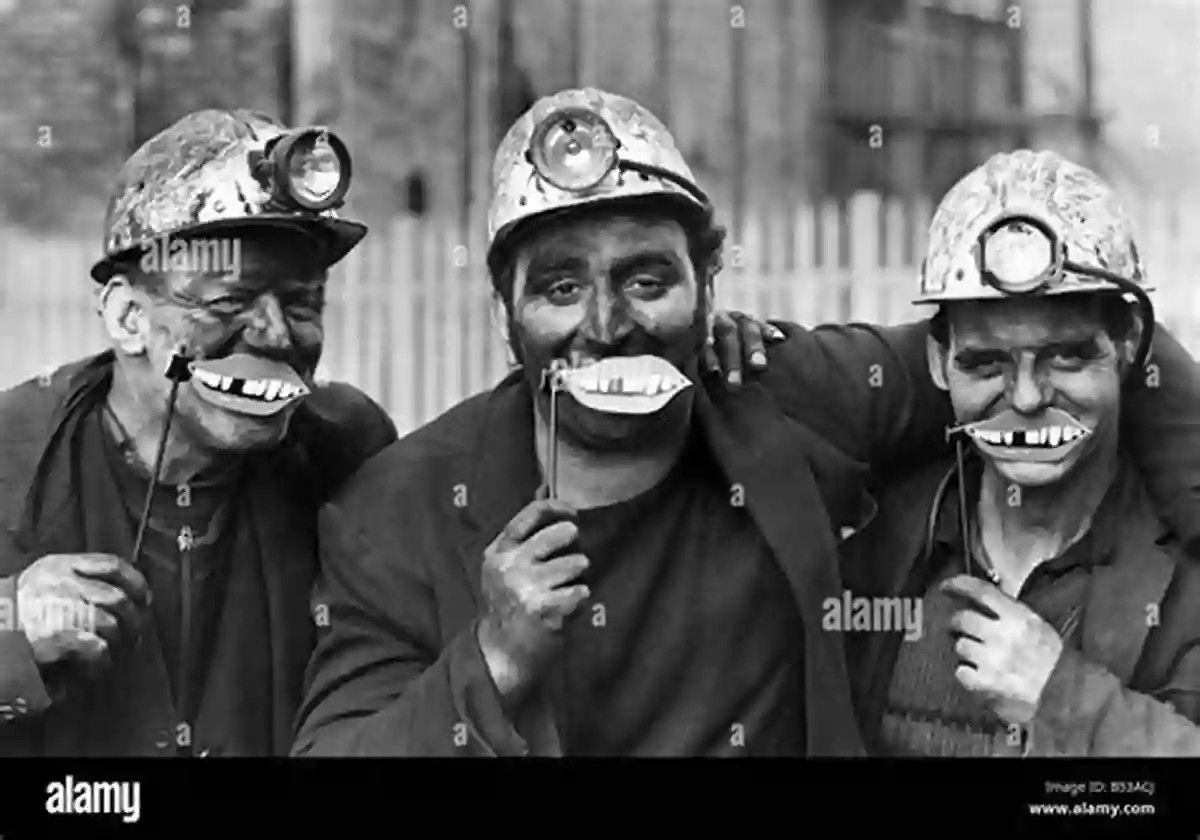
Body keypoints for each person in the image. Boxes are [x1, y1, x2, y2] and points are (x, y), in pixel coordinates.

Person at [290, 89, 1200, 757]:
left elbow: (1043, 338)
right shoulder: (398, 510)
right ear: (504, 312)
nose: (606, 326)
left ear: (709, 285)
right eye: (561, 287)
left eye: (648, 280)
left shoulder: (793, 394)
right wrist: (489, 663)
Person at [0, 109, 402, 756]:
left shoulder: (346, 449)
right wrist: (8, 634)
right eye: (225, 303)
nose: (277, 335)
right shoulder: (12, 456)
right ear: (129, 316)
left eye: (301, 303)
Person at [842, 149, 1200, 757]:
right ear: (936, 361)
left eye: (1066, 357)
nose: (1028, 398)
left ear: (1130, 345)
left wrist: (1060, 699)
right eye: (985, 363)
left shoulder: (1189, 577)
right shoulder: (876, 541)